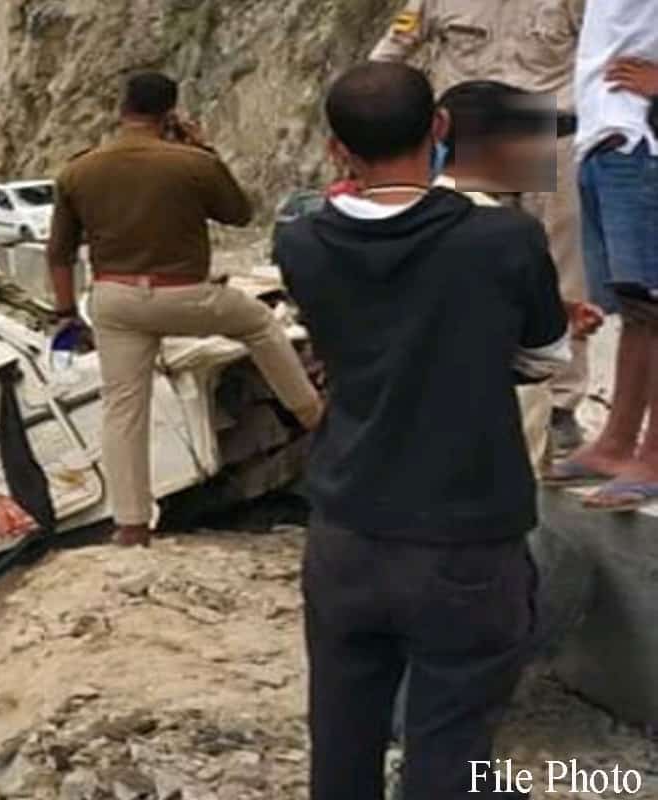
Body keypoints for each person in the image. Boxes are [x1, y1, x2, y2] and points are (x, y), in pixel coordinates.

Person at [276, 63, 567, 800]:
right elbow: (544, 356)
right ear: (440, 129)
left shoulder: (302, 245)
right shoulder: (504, 239)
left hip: (346, 530)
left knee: (341, 739)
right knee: (452, 745)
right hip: (467, 540)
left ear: (337, 149)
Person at [46, 71, 323, 549]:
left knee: (124, 408)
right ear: (170, 112)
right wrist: (205, 149)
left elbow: (59, 254)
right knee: (259, 323)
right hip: (185, 295)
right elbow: (239, 213)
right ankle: (313, 416)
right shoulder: (191, 163)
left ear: (121, 108)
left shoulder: (79, 170)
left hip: (114, 300)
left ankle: (131, 525)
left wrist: (68, 313)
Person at [371, 0, 591, 454]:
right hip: (473, 133)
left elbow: (603, 55)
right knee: (463, 266)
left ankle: (560, 406)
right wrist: (382, 122)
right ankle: (470, 387)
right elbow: (391, 53)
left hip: (551, 129)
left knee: (562, 271)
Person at [433, 80, 604, 469]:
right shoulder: (511, 234)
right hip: (490, 441)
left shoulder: (410, 214)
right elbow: (542, 357)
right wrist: (558, 326)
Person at [547, 2, 658, 509]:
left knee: (654, 302)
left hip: (642, 140)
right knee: (637, 306)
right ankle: (617, 441)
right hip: (605, 136)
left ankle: (653, 456)